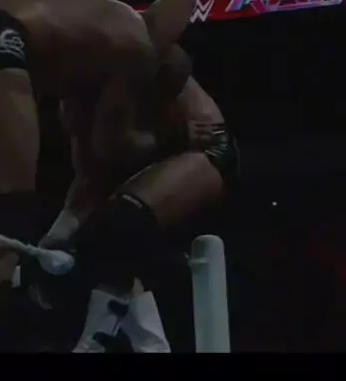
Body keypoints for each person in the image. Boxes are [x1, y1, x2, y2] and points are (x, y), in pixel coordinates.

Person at [0, 0, 195, 351]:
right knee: (9, 220)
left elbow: (87, 161)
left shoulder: (95, 31)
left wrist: (61, 230)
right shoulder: (136, 58)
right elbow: (112, 145)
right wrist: (169, 137)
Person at [39, 40, 239, 352]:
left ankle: (96, 341)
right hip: (154, 155)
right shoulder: (75, 106)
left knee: (119, 223)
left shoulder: (126, 58)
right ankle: (152, 346)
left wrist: (174, 134)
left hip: (203, 148)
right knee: (98, 243)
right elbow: (89, 177)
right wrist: (58, 233)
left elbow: (175, 60)